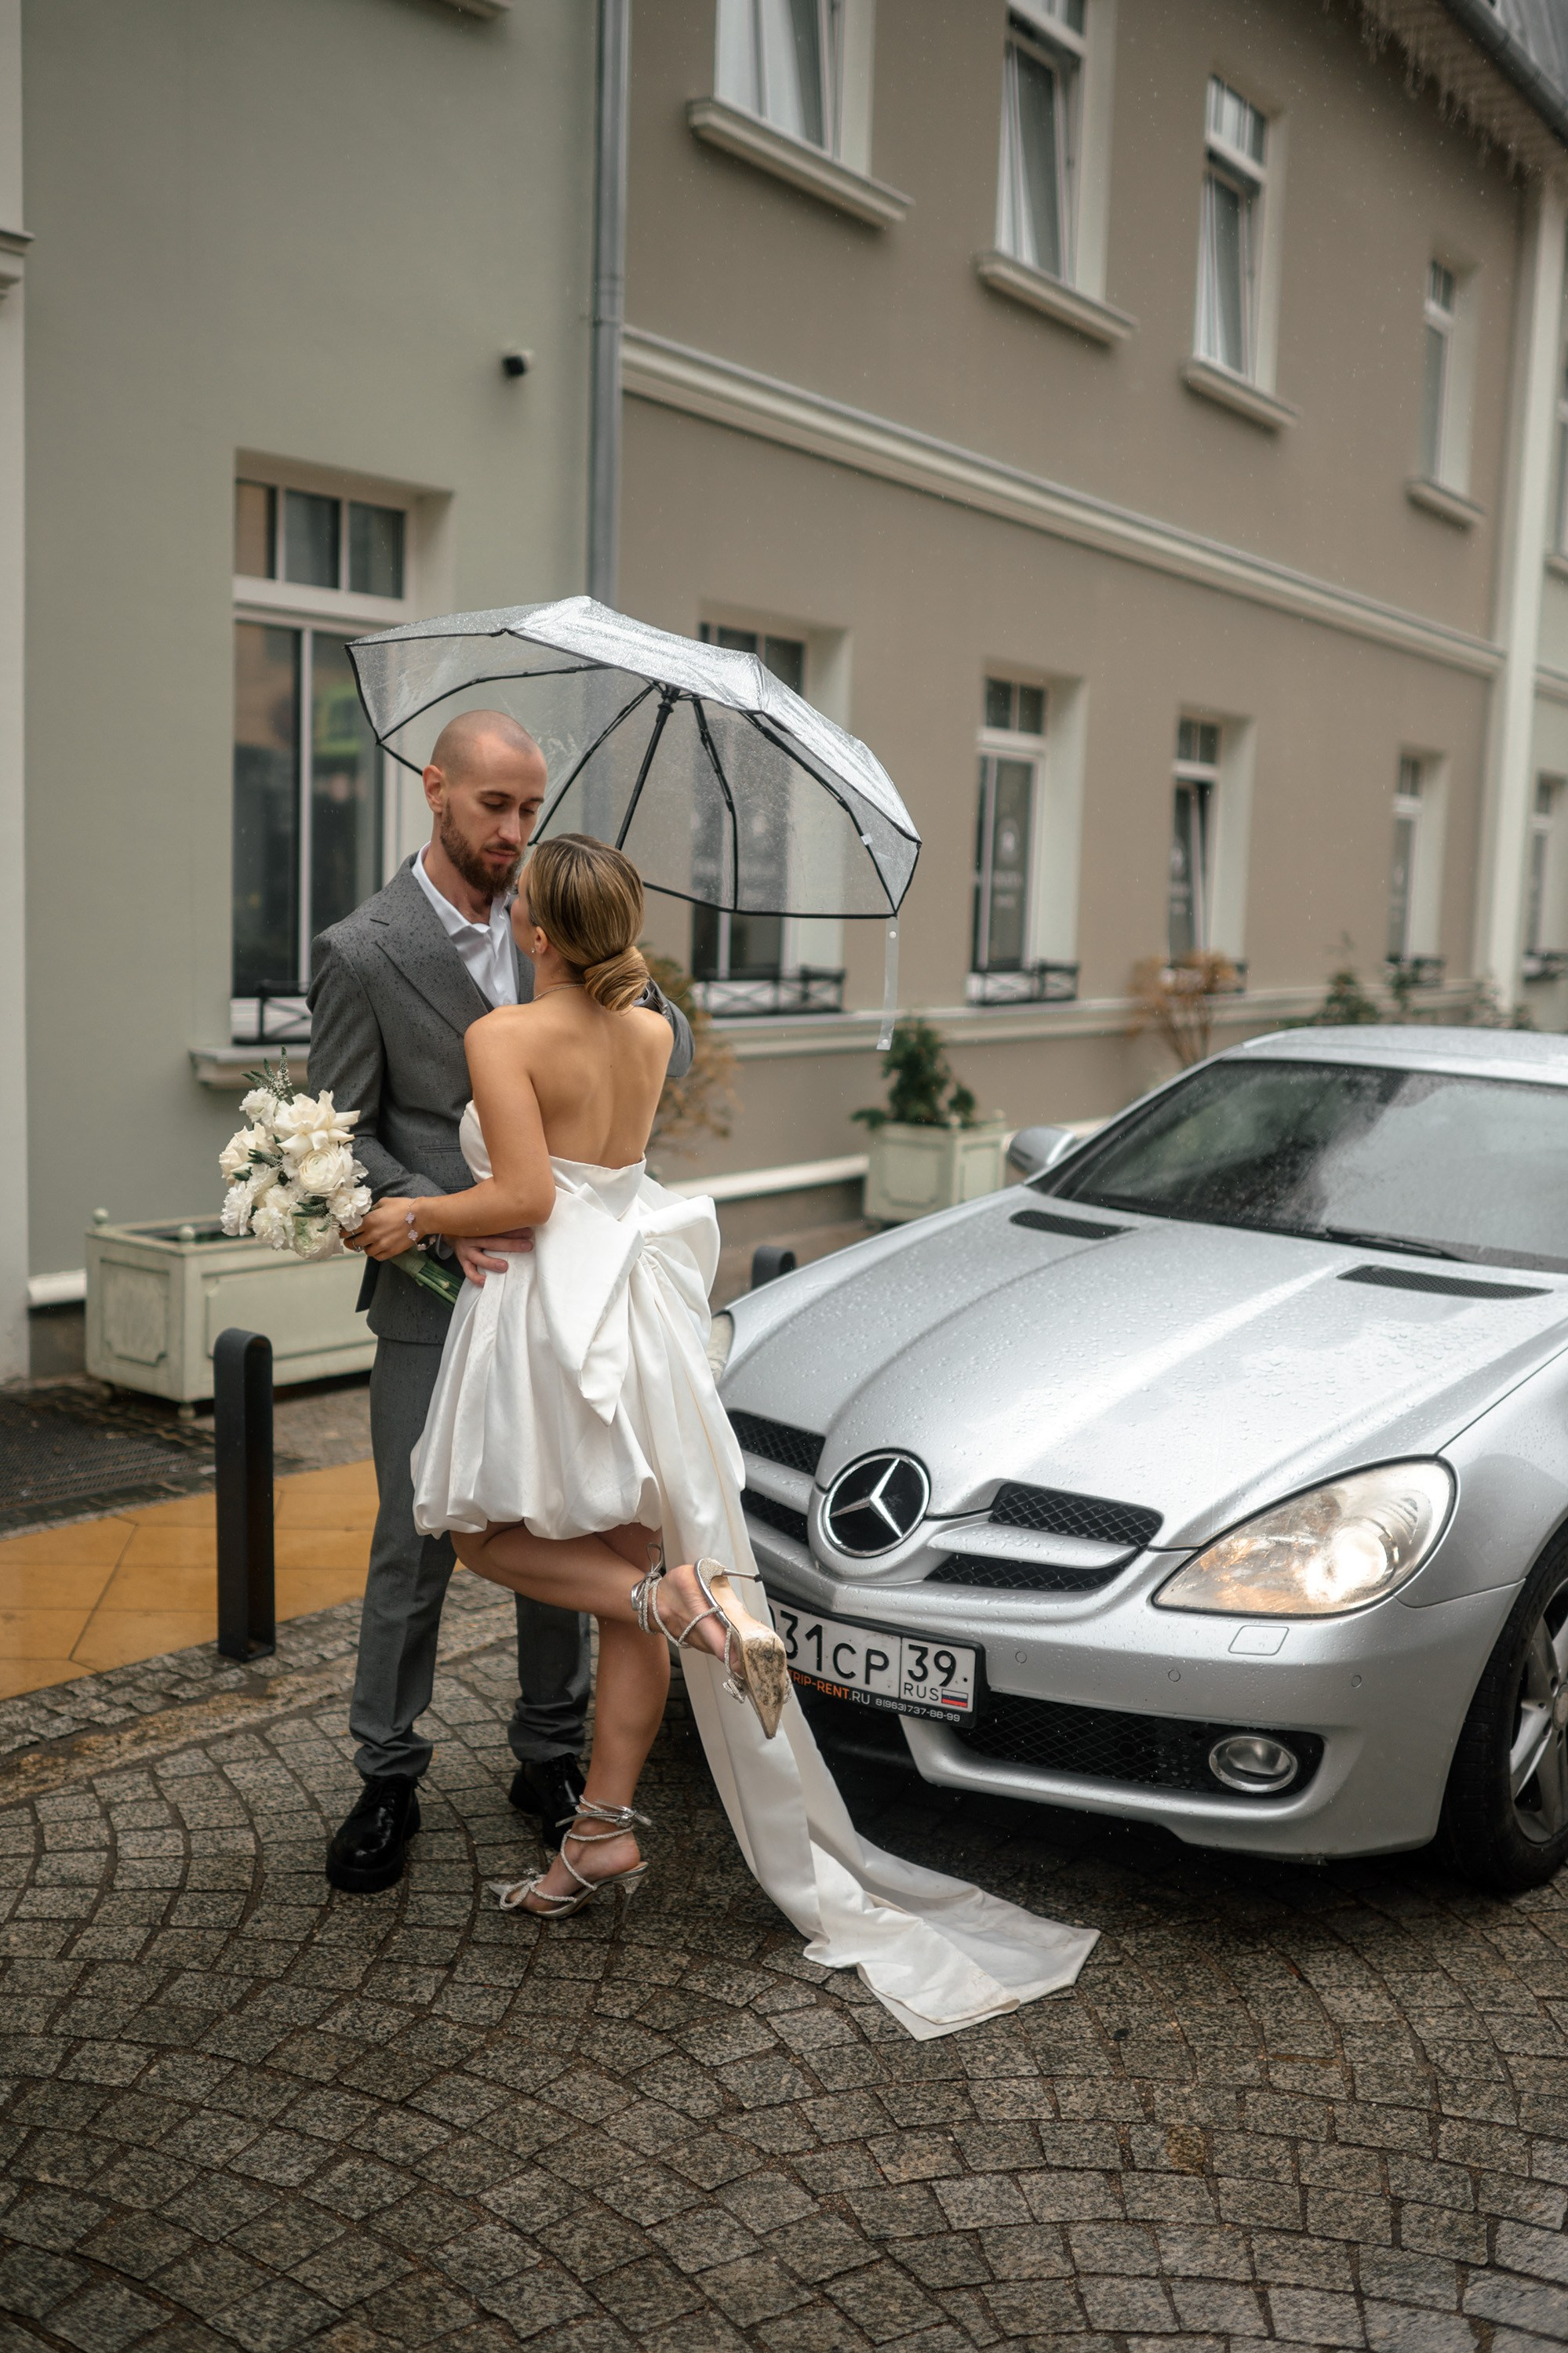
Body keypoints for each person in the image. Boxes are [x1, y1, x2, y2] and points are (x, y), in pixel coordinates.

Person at [352, 833, 1099, 2037]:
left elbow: (529, 1200)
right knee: (644, 1549)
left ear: (537, 933)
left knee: (484, 1536)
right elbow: (609, 1172)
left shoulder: (503, 1037)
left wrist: (408, 1215)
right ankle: (599, 1830)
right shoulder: (647, 1029)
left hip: (549, 1314)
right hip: (638, 1317)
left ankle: (671, 1614)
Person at [307, 715, 692, 1894]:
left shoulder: (561, 930)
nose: (514, 833)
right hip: (439, 1294)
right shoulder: (362, 950)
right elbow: (338, 1134)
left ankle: (549, 1757)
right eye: (495, 808)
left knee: (562, 1523)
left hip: (563, 1301)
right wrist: (437, 1217)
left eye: (530, 811)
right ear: (436, 792)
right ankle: (387, 1774)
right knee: (414, 1540)